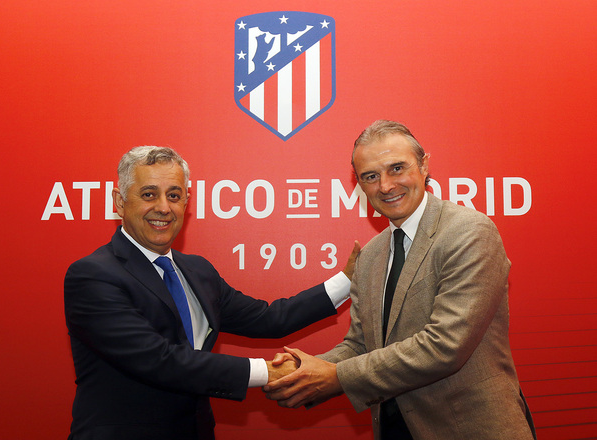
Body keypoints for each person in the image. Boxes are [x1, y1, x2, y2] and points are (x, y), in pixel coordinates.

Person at [264, 120, 537, 439]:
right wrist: (301, 371)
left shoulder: (468, 232)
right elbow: (361, 344)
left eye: (397, 168)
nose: (385, 186)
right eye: (370, 176)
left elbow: (445, 346)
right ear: (359, 185)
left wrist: (336, 377)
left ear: (424, 166)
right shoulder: (370, 255)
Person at [64, 146, 357, 440]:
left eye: (174, 196)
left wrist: (349, 280)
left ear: (186, 201)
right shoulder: (93, 275)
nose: (164, 208)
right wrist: (268, 372)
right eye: (149, 194)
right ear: (120, 201)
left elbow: (269, 319)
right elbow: (159, 359)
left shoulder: (197, 270)